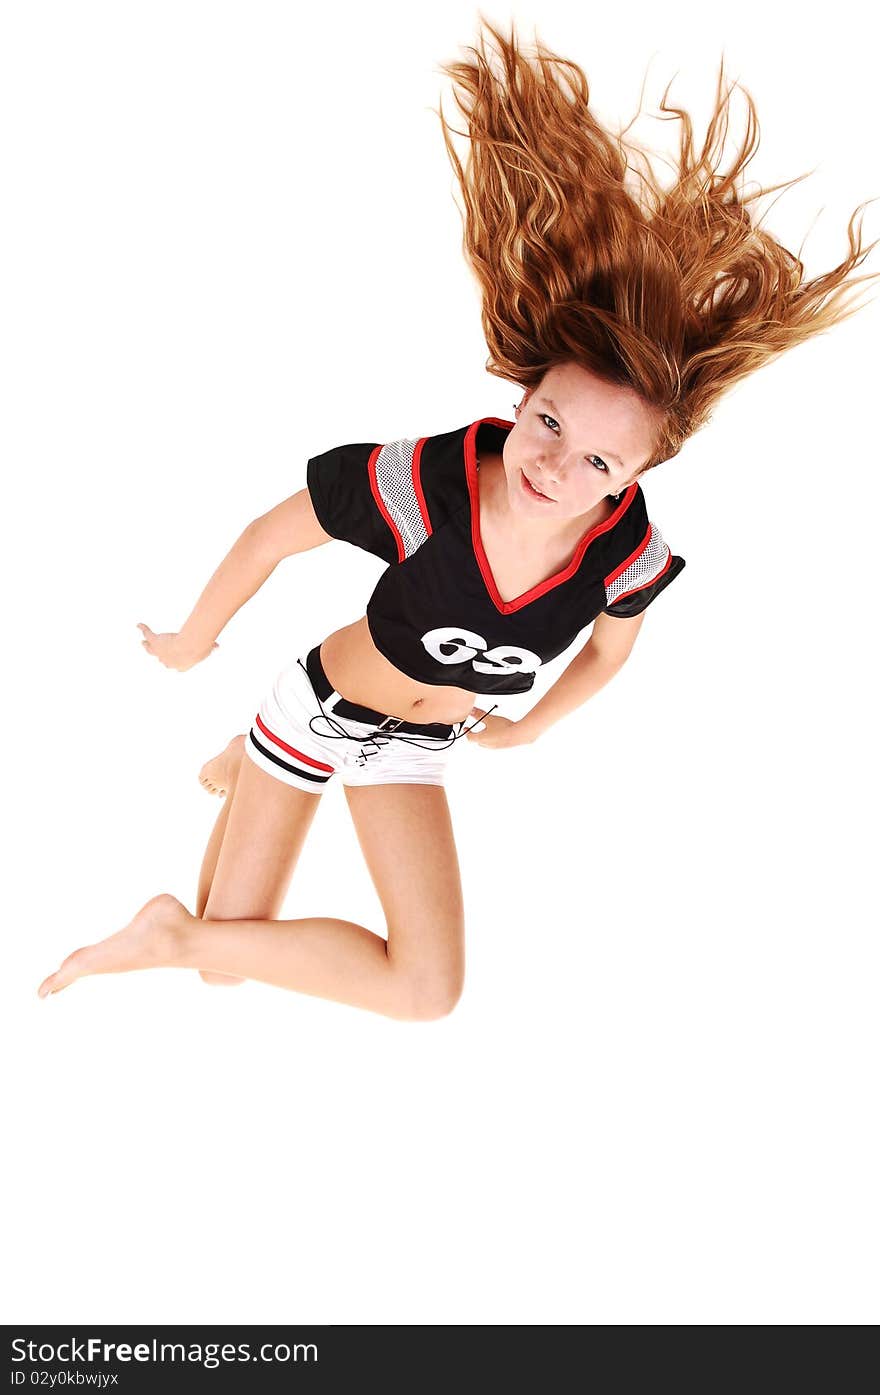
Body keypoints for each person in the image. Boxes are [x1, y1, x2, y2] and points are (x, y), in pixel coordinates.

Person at [36, 18, 878, 1016]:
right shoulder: (429, 483)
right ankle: (205, 857)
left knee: (426, 993)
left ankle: (198, 866)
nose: (555, 464)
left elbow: (608, 656)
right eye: (550, 421)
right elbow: (274, 533)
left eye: (598, 460)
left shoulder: (627, 553)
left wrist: (529, 731)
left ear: (634, 477)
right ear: (523, 397)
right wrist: (192, 638)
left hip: (417, 746)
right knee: (222, 962)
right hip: (321, 711)